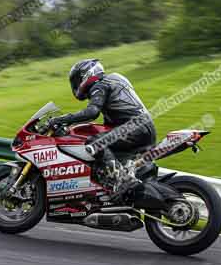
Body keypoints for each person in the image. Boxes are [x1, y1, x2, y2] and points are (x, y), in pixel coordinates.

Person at [49, 59, 156, 197]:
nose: (76, 85)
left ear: (86, 74)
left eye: (77, 80)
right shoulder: (115, 79)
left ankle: (122, 180)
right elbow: (115, 115)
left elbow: (92, 112)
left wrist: (62, 119)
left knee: (95, 142)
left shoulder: (99, 85)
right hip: (143, 128)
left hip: (134, 128)